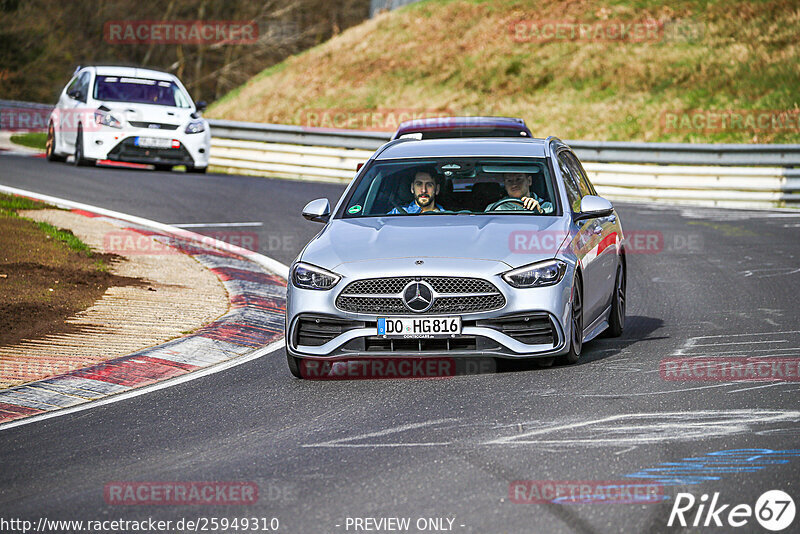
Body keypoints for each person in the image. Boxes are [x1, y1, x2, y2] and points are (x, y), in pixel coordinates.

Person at [486, 172, 553, 213]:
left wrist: (540, 211)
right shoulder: (494, 209)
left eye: (518, 179)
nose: (514, 184)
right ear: (505, 185)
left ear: (529, 181)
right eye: (509, 180)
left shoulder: (548, 207)